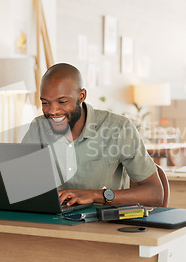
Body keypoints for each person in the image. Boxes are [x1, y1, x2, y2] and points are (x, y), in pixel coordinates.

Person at [22, 63, 163, 207]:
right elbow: (19, 183)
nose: (52, 111)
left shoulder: (118, 128)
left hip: (105, 225)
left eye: (62, 101)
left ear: (82, 96)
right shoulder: (38, 128)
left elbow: (155, 194)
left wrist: (96, 195)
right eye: (45, 103)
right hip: (53, 223)